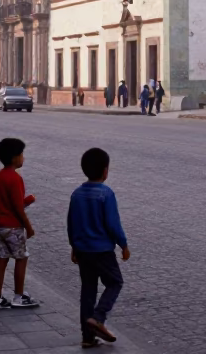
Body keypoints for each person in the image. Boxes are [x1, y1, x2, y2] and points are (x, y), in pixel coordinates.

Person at [68, 147, 129, 346]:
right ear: (105, 170)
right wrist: (123, 244)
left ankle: (87, 337)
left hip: (83, 250)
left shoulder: (77, 194)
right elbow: (112, 224)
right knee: (115, 282)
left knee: (88, 289)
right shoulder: (106, 194)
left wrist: (74, 247)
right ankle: (98, 317)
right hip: (102, 250)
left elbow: (71, 223)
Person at [0, 138, 39, 310]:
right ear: (14, 158)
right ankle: (19, 296)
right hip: (12, 226)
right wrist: (29, 227)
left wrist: (26, 201)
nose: (23, 158)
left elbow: (7, 203)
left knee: (2, 259)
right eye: (21, 155)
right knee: (21, 258)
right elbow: (17, 208)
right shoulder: (15, 179)